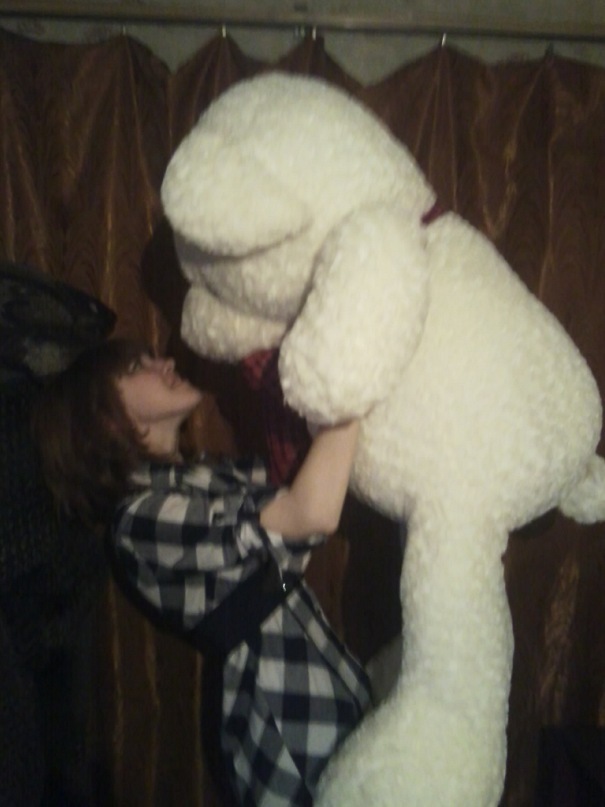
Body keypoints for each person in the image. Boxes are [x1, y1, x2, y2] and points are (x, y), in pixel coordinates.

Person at [32, 338, 372, 806]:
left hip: (319, 676)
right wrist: (357, 377)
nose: (165, 362)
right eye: (136, 366)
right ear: (105, 419)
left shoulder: (201, 476)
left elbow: (300, 497)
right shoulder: (137, 521)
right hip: (281, 708)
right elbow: (310, 513)